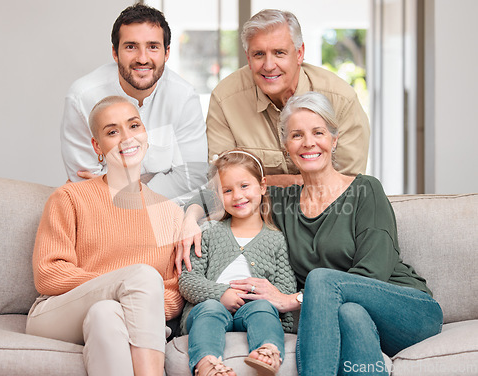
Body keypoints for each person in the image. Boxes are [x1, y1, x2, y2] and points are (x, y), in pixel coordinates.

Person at [181, 92, 442, 376]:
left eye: (318, 132)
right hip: (351, 315)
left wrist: (291, 299)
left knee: (322, 280)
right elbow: (218, 193)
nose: (308, 142)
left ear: (334, 139)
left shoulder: (366, 190)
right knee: (349, 314)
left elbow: (374, 271)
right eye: (296, 135)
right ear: (286, 147)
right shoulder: (280, 202)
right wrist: (190, 219)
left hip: (407, 308)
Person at [26, 96, 184, 376]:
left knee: (105, 314)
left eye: (134, 126)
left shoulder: (169, 213)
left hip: (120, 314)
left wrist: (130, 303)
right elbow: (48, 274)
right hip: (56, 313)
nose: (126, 138)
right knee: (143, 276)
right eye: (112, 131)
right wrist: (124, 287)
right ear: (97, 147)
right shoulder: (70, 197)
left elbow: (173, 291)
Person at [61, 3, 207, 205]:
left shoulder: (183, 96)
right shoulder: (82, 98)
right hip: (104, 216)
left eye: (153, 47)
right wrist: (161, 181)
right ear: (115, 52)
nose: (142, 58)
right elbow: (85, 184)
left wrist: (128, 192)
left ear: (166, 52)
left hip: (165, 216)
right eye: (131, 47)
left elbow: (194, 178)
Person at [206, 9, 370, 187]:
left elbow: (349, 184)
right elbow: (222, 183)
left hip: (329, 212)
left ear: (299, 54)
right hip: (255, 213)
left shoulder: (341, 99)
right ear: (248, 58)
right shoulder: (225, 99)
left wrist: (259, 182)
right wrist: (295, 182)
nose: (268, 66)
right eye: (259, 54)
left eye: (279, 53)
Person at [179, 150, 296, 376]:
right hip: (209, 308)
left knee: (262, 307)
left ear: (262, 186)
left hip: (253, 309)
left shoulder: (276, 239)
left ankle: (268, 351)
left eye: (244, 186)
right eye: (227, 190)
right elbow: (188, 280)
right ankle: (206, 363)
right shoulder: (208, 232)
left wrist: (280, 319)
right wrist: (222, 294)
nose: (237, 196)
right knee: (210, 308)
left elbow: (285, 290)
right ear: (218, 195)